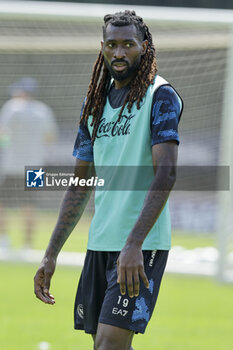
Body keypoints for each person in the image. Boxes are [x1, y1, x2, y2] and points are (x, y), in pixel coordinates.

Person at [34, 11, 183, 350]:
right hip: (100, 242)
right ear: (102, 48)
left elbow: (167, 172)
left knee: (109, 345)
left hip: (140, 245)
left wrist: (133, 244)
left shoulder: (160, 96)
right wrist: (51, 253)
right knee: (104, 345)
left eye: (128, 45)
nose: (119, 53)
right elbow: (79, 184)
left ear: (144, 47)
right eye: (112, 45)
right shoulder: (94, 103)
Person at [0, 77, 58, 249]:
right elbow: (50, 137)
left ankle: (4, 240)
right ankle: (27, 244)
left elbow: (2, 132)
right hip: (35, 166)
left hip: (11, 165)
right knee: (30, 205)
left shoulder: (12, 107)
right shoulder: (43, 111)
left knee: (2, 203)